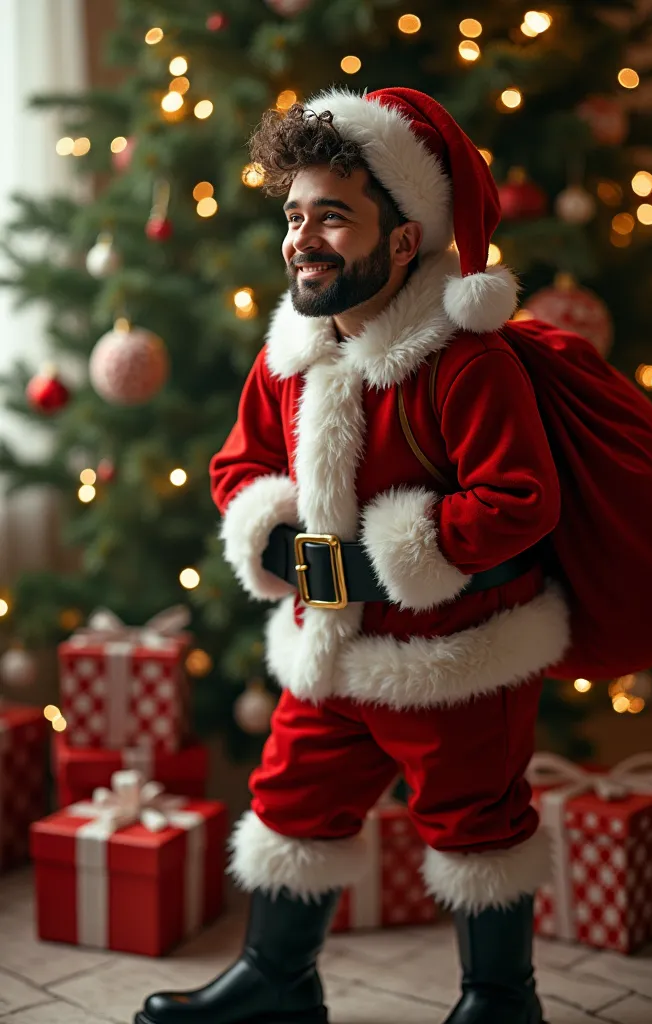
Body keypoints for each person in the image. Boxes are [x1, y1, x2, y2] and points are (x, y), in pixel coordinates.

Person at [135, 86, 570, 1024]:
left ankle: (502, 999)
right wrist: (276, 536)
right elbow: (239, 463)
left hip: (453, 656)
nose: (303, 238)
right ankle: (278, 981)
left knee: (478, 830)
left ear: (403, 238)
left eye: (333, 216)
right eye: (295, 216)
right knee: (290, 801)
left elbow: (519, 501)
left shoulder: (463, 361)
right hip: (327, 644)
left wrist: (394, 559)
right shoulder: (290, 353)